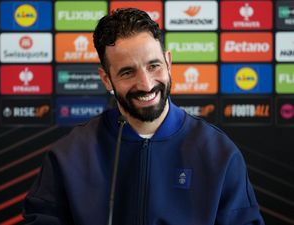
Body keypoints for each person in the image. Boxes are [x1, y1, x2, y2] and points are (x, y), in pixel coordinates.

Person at [23, 8, 265, 225]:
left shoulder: (218, 152)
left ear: (168, 62)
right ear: (107, 79)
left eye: (154, 66)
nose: (146, 84)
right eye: (128, 72)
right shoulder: (70, 155)